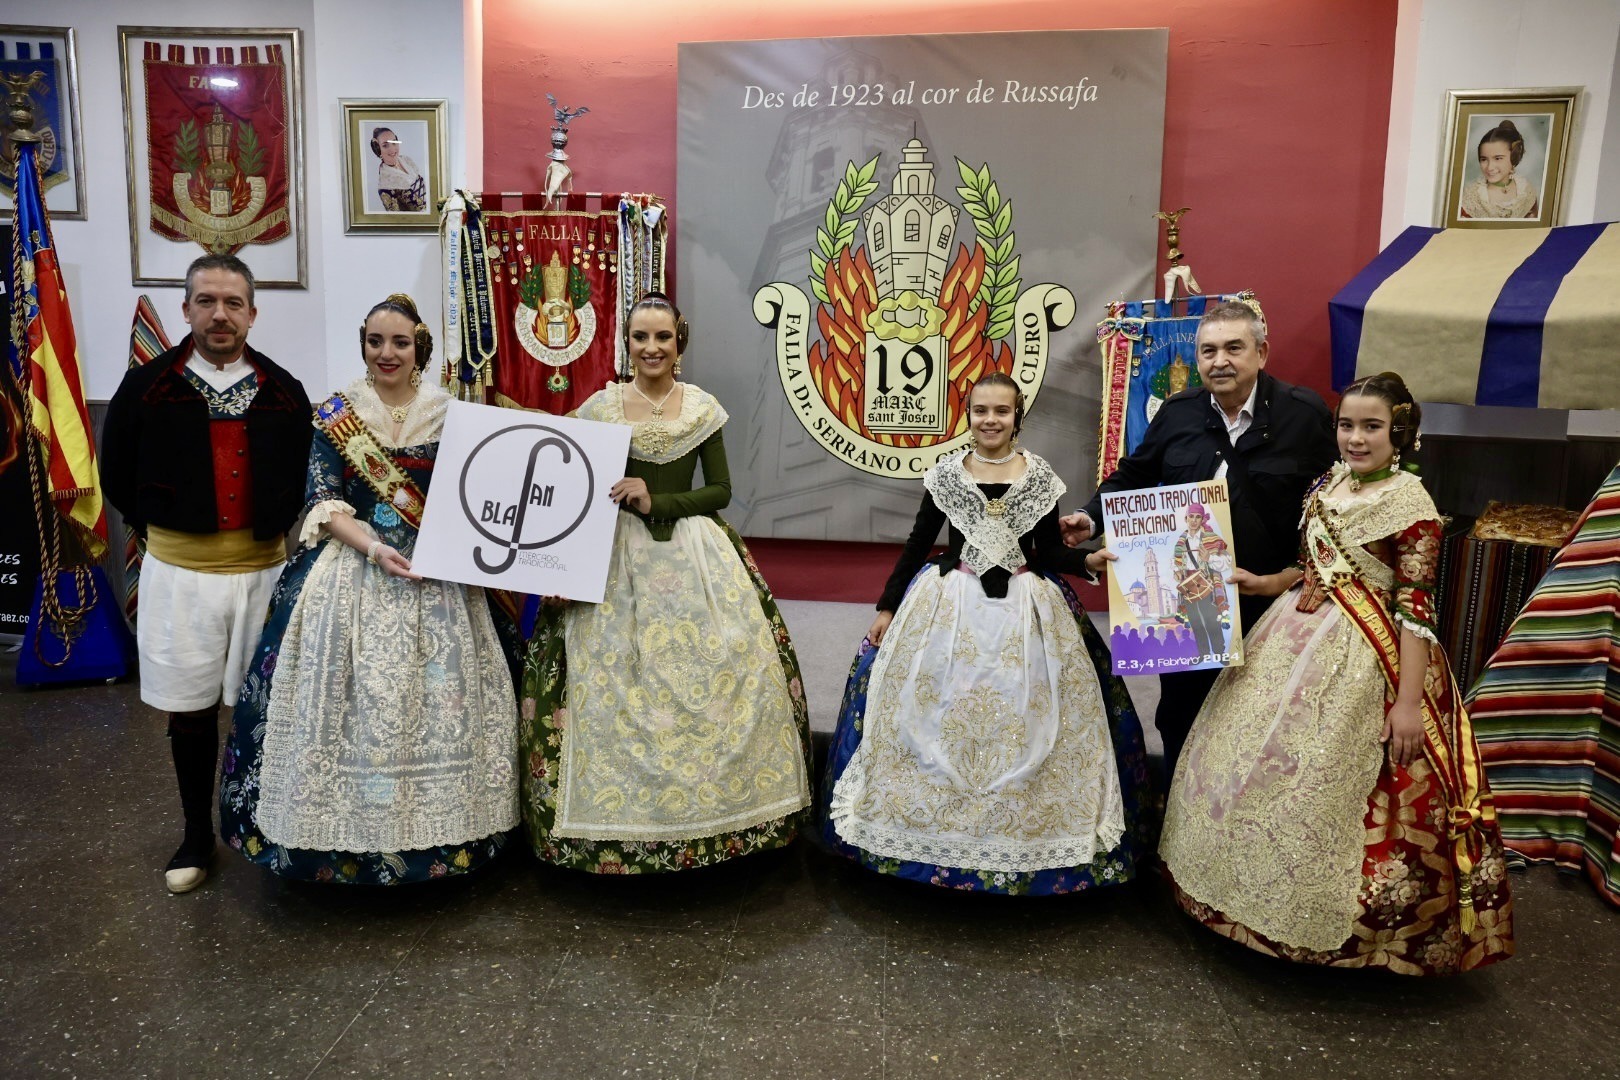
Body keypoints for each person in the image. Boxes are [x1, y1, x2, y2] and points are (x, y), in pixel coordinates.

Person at [1159, 372, 1514, 974]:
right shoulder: (1331, 482)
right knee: (1252, 764)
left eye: (1371, 426)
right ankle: (1235, 900)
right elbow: (1311, 567)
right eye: (1346, 425)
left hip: (1366, 657)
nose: (1355, 437)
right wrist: (1267, 582)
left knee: (1329, 786)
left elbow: (1417, 611)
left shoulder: (1412, 504)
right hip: (1292, 632)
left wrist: (1406, 704)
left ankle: (1351, 936)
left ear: (1399, 432)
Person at [218, 294, 519, 884]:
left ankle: (455, 838)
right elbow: (324, 502)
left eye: (399, 343)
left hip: (440, 574)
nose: (386, 353)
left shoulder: (451, 413)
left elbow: (478, 497)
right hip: (353, 566)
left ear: (419, 349)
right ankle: (333, 848)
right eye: (375, 342)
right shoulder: (336, 412)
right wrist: (374, 547)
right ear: (363, 346)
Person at [819, 373, 1154, 894]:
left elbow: (1047, 552)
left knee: (1035, 719)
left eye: (1001, 411)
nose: (990, 420)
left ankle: (1026, 841)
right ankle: (923, 836)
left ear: (1017, 417)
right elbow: (917, 544)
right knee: (929, 713)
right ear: (967, 414)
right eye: (980, 411)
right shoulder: (946, 476)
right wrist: (887, 606)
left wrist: (1088, 559)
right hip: (951, 606)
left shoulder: (1039, 476)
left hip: (1025, 609)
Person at [519, 293, 812, 873]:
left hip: (695, 555)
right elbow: (570, 488)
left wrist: (659, 500)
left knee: (715, 677)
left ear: (680, 344)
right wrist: (554, 563)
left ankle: (721, 820)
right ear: (623, 343)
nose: (651, 348)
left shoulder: (702, 409)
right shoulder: (598, 409)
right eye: (639, 338)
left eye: (662, 338)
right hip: (610, 555)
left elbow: (722, 490)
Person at [101, 253, 314, 894]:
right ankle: (196, 835)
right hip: (180, 577)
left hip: (266, 575)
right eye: (206, 301)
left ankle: (273, 828)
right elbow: (116, 476)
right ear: (186, 307)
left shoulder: (283, 391)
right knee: (190, 713)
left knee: (270, 710)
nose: (219, 314)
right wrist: (174, 527)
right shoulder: (146, 388)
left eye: (233, 303)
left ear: (252, 312)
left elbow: (306, 479)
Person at [1061, 300, 1335, 773]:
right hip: (1190, 604)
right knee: (1181, 719)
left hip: (1273, 603)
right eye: (1208, 351)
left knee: (1264, 725)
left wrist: (1294, 577)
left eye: (1234, 348)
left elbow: (1333, 502)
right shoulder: (1178, 411)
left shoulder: (1303, 414)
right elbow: (1135, 475)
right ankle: (1177, 838)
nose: (1219, 361)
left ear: (1262, 352)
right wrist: (1090, 516)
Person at [1171, 502, 1230, 662]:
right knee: (1195, 621)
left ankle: (1219, 652)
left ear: (1202, 519)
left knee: (1212, 619)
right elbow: (1176, 563)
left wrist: (1209, 558)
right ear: (1186, 518)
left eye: (1198, 517)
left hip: (1206, 582)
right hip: (1188, 586)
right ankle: (1203, 654)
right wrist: (1176, 573)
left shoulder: (1211, 538)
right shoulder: (1180, 542)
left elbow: (1227, 561)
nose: (1194, 520)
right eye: (1191, 516)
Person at [1459, 120, 1539, 220]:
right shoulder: (1471, 199)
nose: (1489, 167)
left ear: (1514, 157)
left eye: (1498, 158)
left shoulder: (1527, 192)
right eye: (1484, 159)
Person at [373, 127, 426, 212]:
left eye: (394, 142)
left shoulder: (405, 160)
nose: (392, 149)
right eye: (385, 145)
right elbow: (396, 219)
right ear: (378, 150)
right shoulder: (385, 184)